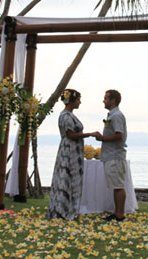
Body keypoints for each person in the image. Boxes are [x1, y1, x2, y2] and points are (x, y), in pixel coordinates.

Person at [47, 89, 99, 220]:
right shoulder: (66, 116)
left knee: (72, 179)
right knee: (67, 179)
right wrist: (90, 134)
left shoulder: (70, 115)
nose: (80, 102)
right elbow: (70, 135)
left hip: (74, 150)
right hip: (69, 151)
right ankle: (63, 210)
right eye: (78, 100)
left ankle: (70, 208)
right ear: (72, 101)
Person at [97, 89, 128, 222]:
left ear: (113, 100)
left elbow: (119, 135)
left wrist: (102, 138)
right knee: (115, 185)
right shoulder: (112, 115)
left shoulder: (116, 116)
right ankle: (117, 212)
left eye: (106, 98)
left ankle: (120, 214)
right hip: (110, 155)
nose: (103, 101)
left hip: (115, 155)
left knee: (118, 186)